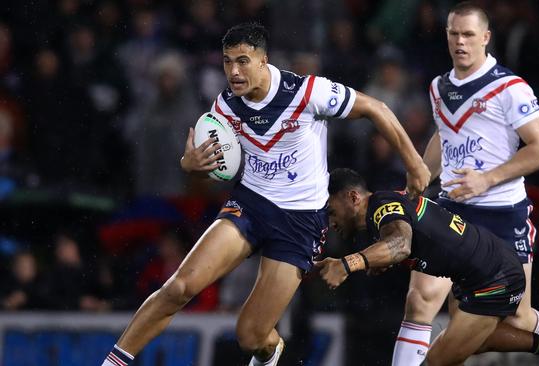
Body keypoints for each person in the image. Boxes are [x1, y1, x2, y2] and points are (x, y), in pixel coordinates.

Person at [101, 23, 430, 366]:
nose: (234, 71)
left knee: (251, 336)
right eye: (228, 62)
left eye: (243, 61)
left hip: (300, 221)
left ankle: (271, 354)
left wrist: (415, 164)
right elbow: (210, 162)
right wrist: (191, 163)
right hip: (251, 204)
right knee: (180, 287)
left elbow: (376, 107)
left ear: (263, 61)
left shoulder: (307, 92)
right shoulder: (226, 105)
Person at [392, 3, 539, 365]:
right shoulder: (439, 87)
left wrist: (488, 179)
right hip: (453, 212)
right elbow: (445, 134)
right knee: (420, 300)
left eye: (468, 34)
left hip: (503, 214)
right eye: (453, 34)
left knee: (517, 319)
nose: (460, 42)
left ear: (486, 38)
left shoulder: (510, 88)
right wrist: (420, 174)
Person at [316, 168, 539, 366]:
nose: (331, 221)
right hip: (482, 274)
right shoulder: (386, 205)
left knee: (437, 360)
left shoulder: (382, 208)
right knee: (472, 342)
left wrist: (348, 263)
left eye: (330, 211)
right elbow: (403, 244)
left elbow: (400, 244)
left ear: (353, 197)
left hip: (493, 280)